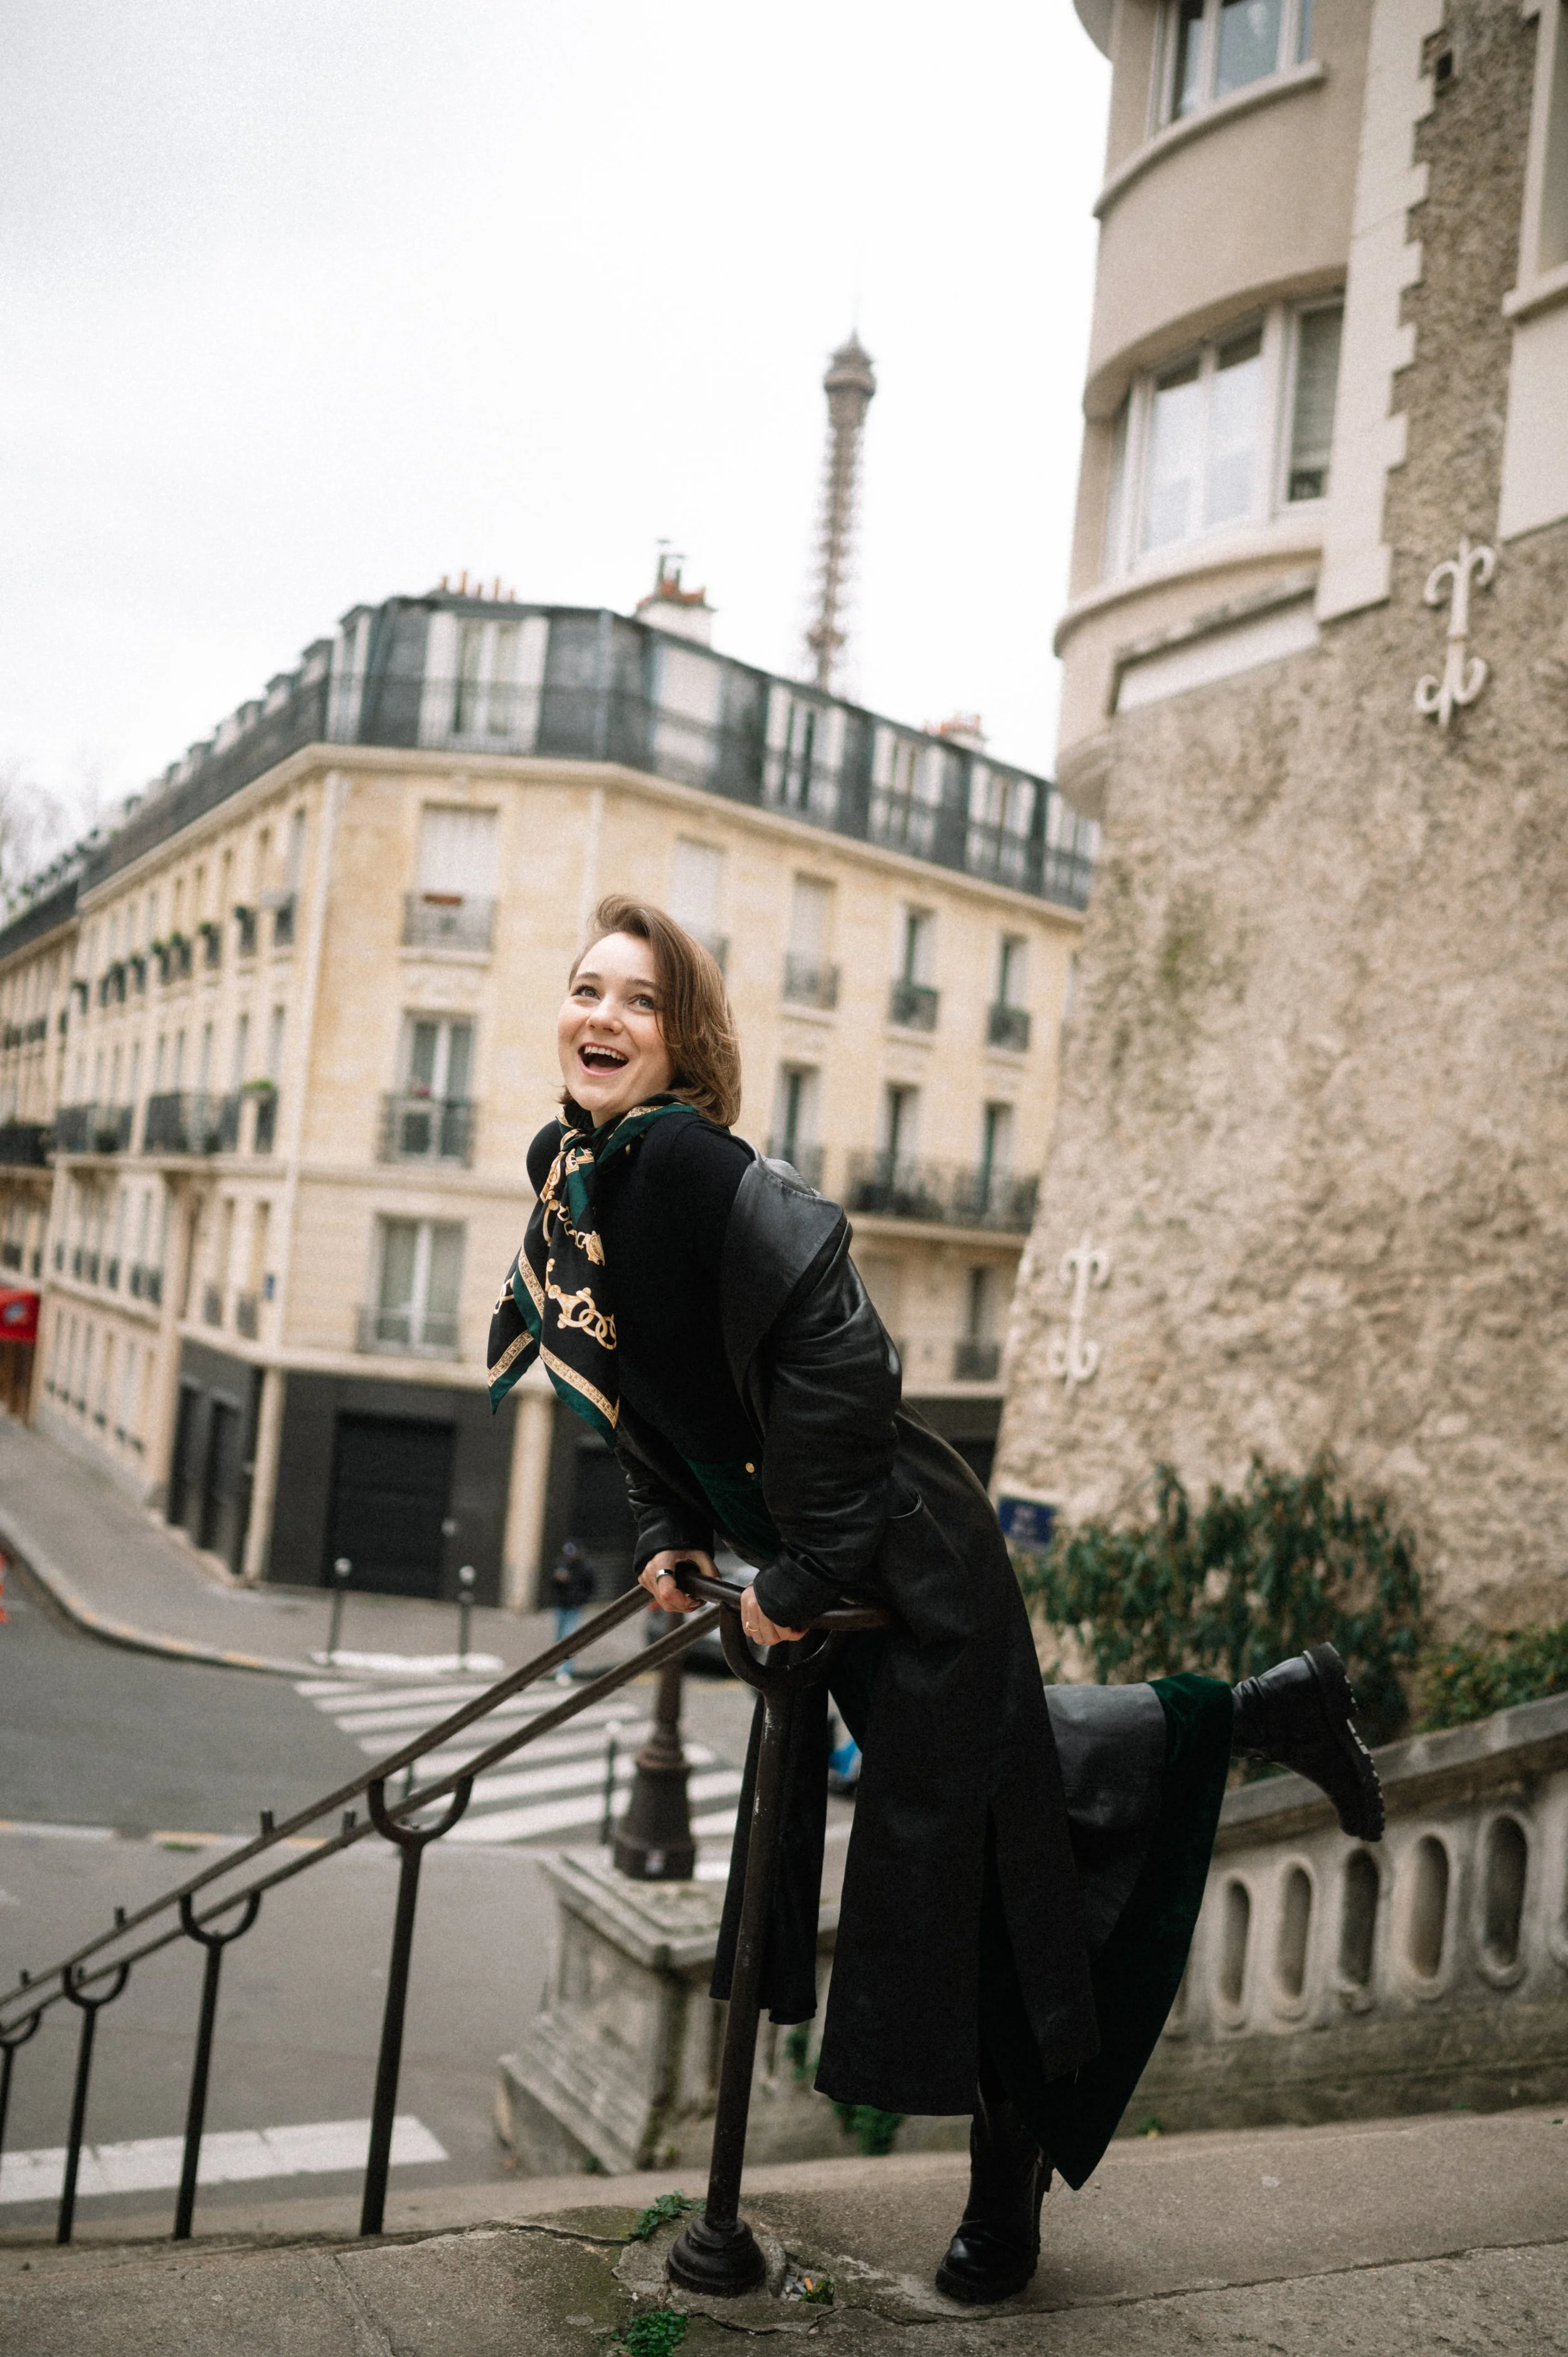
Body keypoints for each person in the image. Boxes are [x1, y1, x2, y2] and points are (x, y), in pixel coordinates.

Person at [489, 897, 1384, 2306]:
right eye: (585, 988)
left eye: (639, 1003)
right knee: (1002, 1799)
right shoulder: (582, 1174)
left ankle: (1003, 2188)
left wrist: (800, 1570)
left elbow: (844, 1353)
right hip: (843, 1564)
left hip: (908, 1565)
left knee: (969, 1885)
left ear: (685, 1042)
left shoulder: (691, 1166)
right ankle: (1268, 1707)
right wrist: (668, 1526)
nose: (599, 1018)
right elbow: (642, 1380)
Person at [548, 1538, 595, 1682]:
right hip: (561, 1606)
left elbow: (591, 1587)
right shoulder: (561, 1564)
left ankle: (565, 1671)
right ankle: (557, 1667)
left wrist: (582, 1602)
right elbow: (551, 1583)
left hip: (574, 1608)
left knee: (569, 1638)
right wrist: (558, 1580)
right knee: (559, 1638)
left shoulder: (585, 1568)